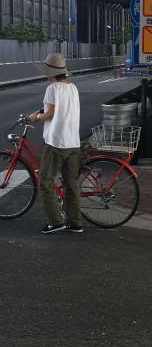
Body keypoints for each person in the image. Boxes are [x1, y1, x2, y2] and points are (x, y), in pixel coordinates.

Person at [29, 53, 82, 234]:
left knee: (45, 182)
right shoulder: (72, 87)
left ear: (50, 72)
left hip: (56, 142)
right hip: (73, 142)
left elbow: (50, 114)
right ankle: (75, 223)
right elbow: (63, 110)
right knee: (71, 183)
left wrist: (35, 117)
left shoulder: (52, 88)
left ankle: (56, 222)